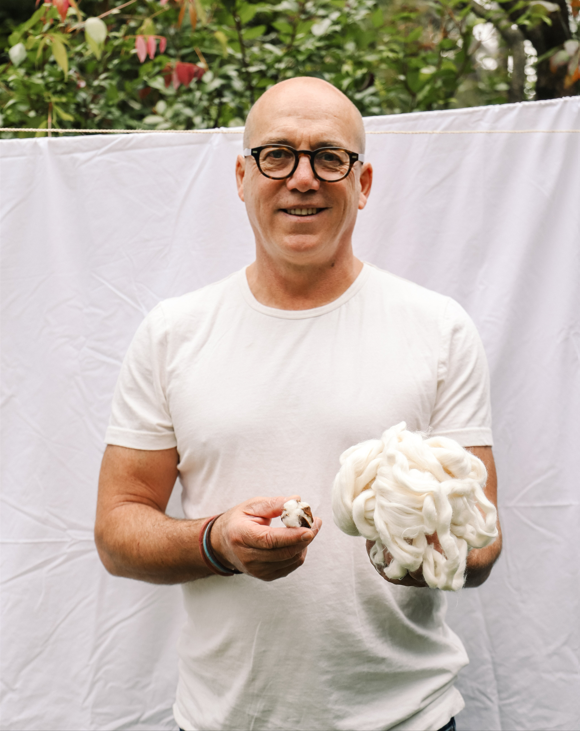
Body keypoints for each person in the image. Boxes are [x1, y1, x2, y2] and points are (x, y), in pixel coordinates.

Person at [95, 76, 502, 731]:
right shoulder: (173, 333)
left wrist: (416, 552)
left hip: (408, 718)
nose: (303, 178)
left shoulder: (439, 328)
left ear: (362, 183)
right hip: (224, 720)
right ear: (242, 176)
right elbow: (118, 531)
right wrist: (216, 541)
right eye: (277, 154)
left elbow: (482, 542)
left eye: (329, 157)